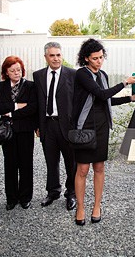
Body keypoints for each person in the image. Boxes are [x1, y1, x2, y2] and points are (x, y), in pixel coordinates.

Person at [72, 38, 135, 226]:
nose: (99, 61)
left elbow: (106, 100)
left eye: (101, 57)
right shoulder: (81, 75)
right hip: (84, 126)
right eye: (95, 58)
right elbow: (101, 94)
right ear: (86, 59)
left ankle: (97, 206)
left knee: (99, 167)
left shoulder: (103, 75)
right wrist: (125, 83)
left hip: (101, 126)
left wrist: (130, 98)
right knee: (83, 169)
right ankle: (81, 207)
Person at [33, 42, 77, 211]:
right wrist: (38, 125)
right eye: (52, 55)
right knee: (51, 162)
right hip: (47, 126)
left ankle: (71, 193)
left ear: (62, 56)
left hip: (67, 127)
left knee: (70, 162)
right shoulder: (38, 76)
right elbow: (37, 102)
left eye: (58, 55)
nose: (56, 58)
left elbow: (78, 102)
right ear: (46, 57)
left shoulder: (72, 75)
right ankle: (53, 192)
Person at [0, 56, 37, 210]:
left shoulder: (31, 86)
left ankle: (25, 197)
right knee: (10, 164)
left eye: (18, 69)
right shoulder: (0, 86)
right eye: (12, 70)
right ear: (6, 72)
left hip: (25, 130)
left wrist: (10, 113)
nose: (16, 73)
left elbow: (32, 108)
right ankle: (11, 198)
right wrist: (17, 105)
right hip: (7, 132)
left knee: (26, 164)